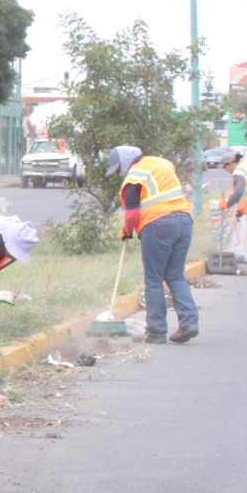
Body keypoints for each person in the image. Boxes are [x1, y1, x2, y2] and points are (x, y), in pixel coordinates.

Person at [105, 145, 199, 344]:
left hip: (158, 226)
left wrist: (126, 231)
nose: (119, 173)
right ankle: (189, 323)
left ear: (125, 161)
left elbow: (131, 214)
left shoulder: (134, 177)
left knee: (154, 280)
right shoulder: (160, 163)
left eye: (118, 168)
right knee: (175, 276)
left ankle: (156, 332)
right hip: (184, 221)